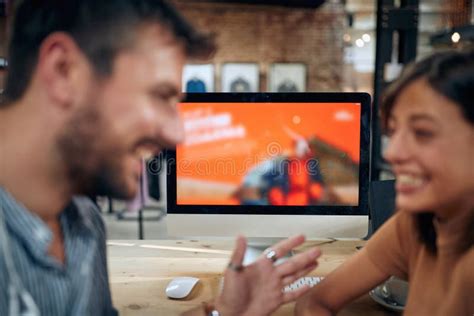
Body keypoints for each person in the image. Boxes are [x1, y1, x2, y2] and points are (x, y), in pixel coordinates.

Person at [0, 1, 321, 315]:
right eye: (159, 95)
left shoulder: (83, 220)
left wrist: (222, 313)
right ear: (63, 71)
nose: (177, 135)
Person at [295, 49, 474, 315]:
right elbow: (314, 301)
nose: (392, 153)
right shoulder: (415, 226)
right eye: (393, 131)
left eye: (422, 133)